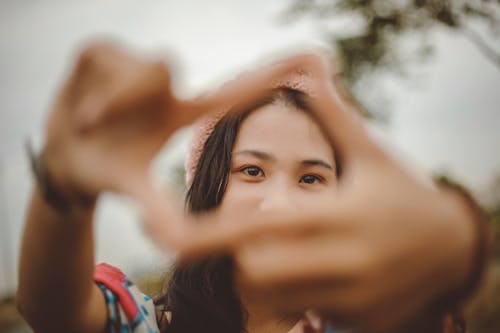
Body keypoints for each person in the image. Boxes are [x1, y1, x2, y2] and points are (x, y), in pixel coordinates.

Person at [16, 42, 490, 333]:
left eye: (311, 178)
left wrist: (462, 246)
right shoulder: (147, 325)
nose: (278, 205)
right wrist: (64, 188)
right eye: (252, 171)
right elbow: (54, 310)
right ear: (210, 186)